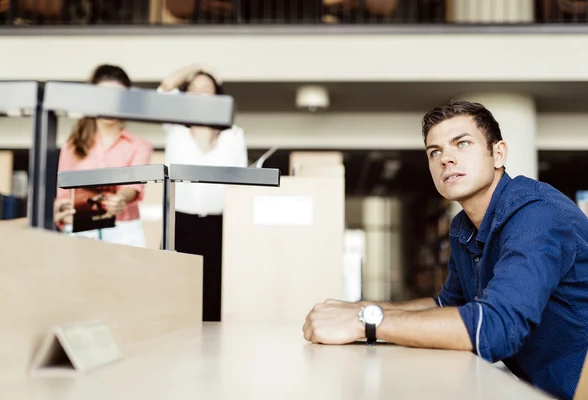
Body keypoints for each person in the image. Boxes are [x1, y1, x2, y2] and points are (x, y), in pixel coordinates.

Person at [302, 101, 588, 400]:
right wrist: (361, 309)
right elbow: (446, 305)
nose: (445, 159)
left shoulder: (537, 216)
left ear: (498, 154)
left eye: (461, 144)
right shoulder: (463, 226)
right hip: (525, 387)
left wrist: (365, 323)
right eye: (434, 152)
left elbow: (497, 328)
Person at [158, 63, 248, 322]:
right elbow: (165, 88)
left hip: (220, 222)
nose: (199, 94)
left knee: (215, 285)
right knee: (177, 284)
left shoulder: (234, 136)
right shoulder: (175, 129)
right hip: (180, 219)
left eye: (206, 88)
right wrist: (197, 68)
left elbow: (241, 182)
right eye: (193, 88)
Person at [55, 64, 154, 247]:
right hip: (81, 231)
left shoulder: (140, 146)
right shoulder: (71, 147)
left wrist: (121, 199)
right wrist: (61, 211)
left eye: (117, 98)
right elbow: (63, 196)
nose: (110, 104)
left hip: (124, 231)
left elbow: (134, 187)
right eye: (104, 97)